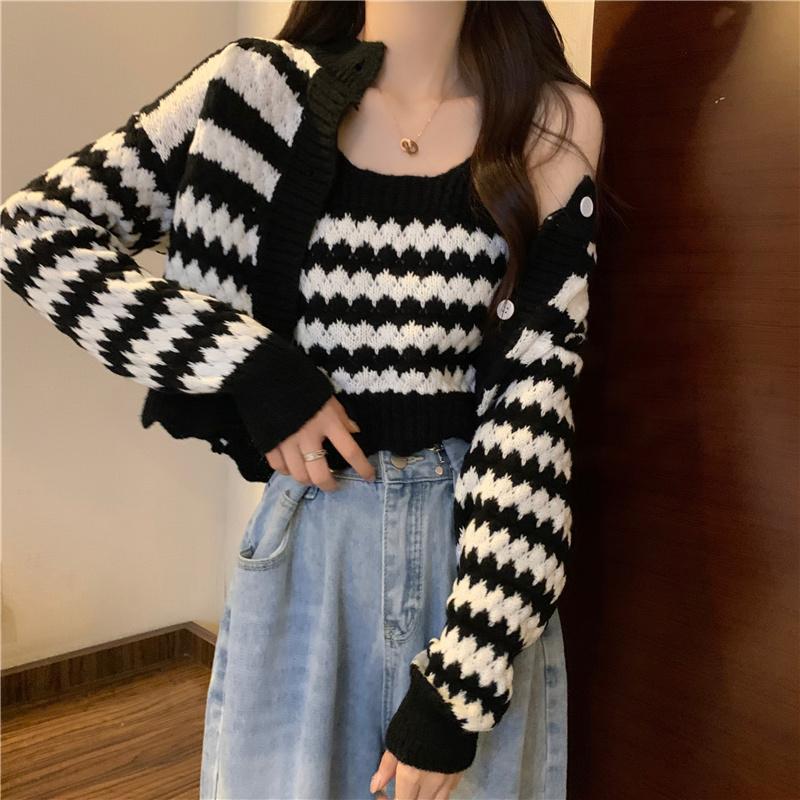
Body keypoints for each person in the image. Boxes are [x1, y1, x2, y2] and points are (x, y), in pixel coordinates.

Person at [0, 2, 604, 798]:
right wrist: (253, 367)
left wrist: (464, 679)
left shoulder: (549, 119)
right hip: (313, 545)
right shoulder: (254, 94)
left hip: (475, 561)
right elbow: (32, 230)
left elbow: (533, 406)